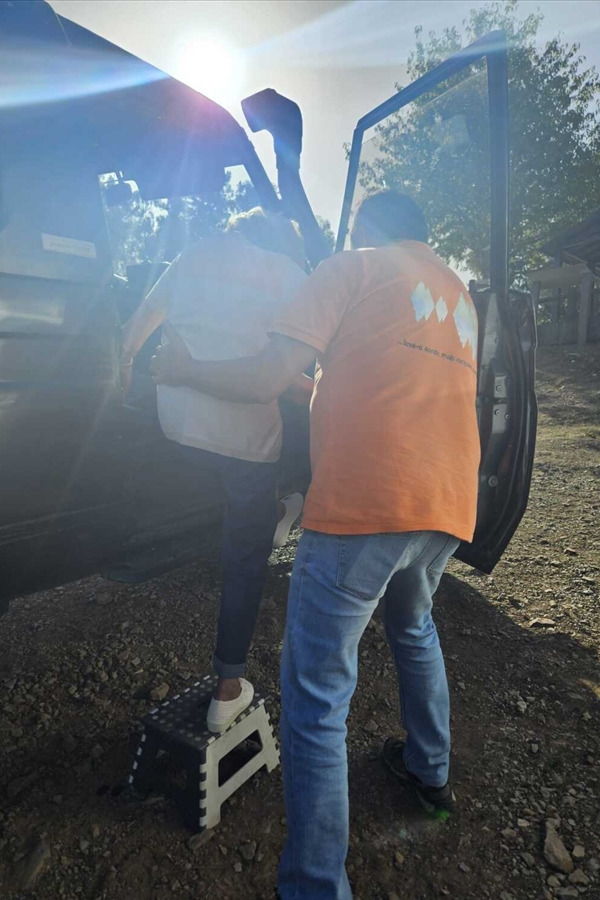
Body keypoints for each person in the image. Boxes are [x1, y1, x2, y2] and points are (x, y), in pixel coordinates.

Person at [150, 190, 481, 899]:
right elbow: (362, 382)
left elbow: (265, 378)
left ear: (366, 229)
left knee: (317, 696)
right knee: (414, 627)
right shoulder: (457, 296)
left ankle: (313, 885)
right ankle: (428, 771)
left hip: (369, 499)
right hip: (447, 502)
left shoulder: (352, 268)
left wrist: (183, 370)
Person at [120, 208, 310, 734]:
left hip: (177, 431)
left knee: (243, 479)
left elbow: (132, 333)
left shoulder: (190, 257)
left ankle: (274, 511)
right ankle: (227, 687)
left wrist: (123, 377)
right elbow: (284, 377)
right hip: (244, 447)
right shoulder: (289, 276)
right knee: (246, 560)